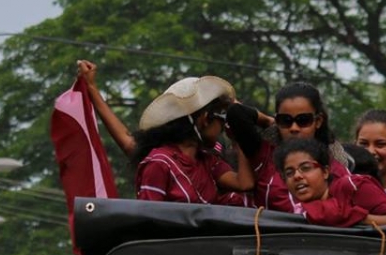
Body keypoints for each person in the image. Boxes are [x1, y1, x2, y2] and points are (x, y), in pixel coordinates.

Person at [225, 81, 355, 211]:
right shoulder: (264, 155)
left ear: (318, 121)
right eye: (285, 120)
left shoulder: (334, 169)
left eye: (303, 120)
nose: (294, 128)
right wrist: (268, 121)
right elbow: (236, 113)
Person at [133, 75, 255, 204]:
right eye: (222, 118)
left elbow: (244, 183)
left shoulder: (207, 161)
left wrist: (241, 130)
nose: (223, 128)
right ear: (205, 119)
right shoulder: (159, 163)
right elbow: (148, 213)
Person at [76, 59, 137, 159]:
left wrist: (90, 86)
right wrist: (90, 86)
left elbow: (130, 145)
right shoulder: (158, 156)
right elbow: (130, 145)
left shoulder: (159, 158)